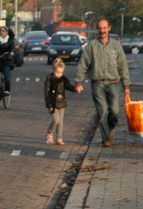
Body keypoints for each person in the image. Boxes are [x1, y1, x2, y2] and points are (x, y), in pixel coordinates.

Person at [74, 18, 130, 147]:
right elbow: (83, 64)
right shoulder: (91, 46)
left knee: (115, 111)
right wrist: (78, 82)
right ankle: (106, 139)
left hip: (114, 83)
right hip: (98, 83)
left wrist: (126, 85)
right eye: (99, 28)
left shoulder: (116, 46)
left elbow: (123, 66)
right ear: (97, 29)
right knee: (102, 111)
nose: (102, 31)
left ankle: (108, 130)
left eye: (104, 28)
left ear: (109, 28)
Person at [44, 58, 77, 146]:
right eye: (57, 72)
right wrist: (49, 104)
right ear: (53, 70)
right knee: (56, 120)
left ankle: (59, 138)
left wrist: (75, 89)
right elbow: (46, 92)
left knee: (61, 122)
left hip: (61, 102)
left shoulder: (63, 79)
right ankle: (49, 133)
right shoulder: (49, 79)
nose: (59, 75)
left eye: (61, 72)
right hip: (52, 103)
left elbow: (68, 86)